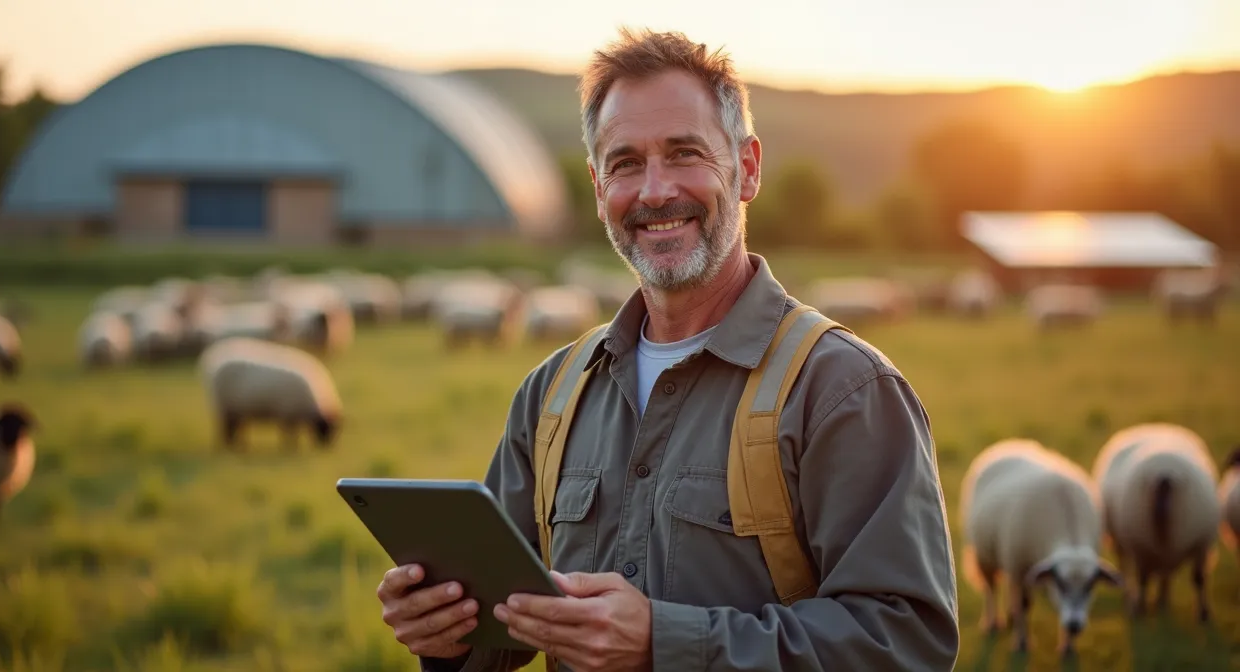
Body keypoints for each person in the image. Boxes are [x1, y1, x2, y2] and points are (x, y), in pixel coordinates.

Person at [376, 27, 960, 672]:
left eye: (685, 153)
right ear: (598, 187)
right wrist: (449, 631)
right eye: (625, 163)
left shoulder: (842, 391)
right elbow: (509, 623)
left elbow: (906, 643)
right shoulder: (552, 394)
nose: (655, 191)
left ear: (747, 168)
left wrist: (664, 641)